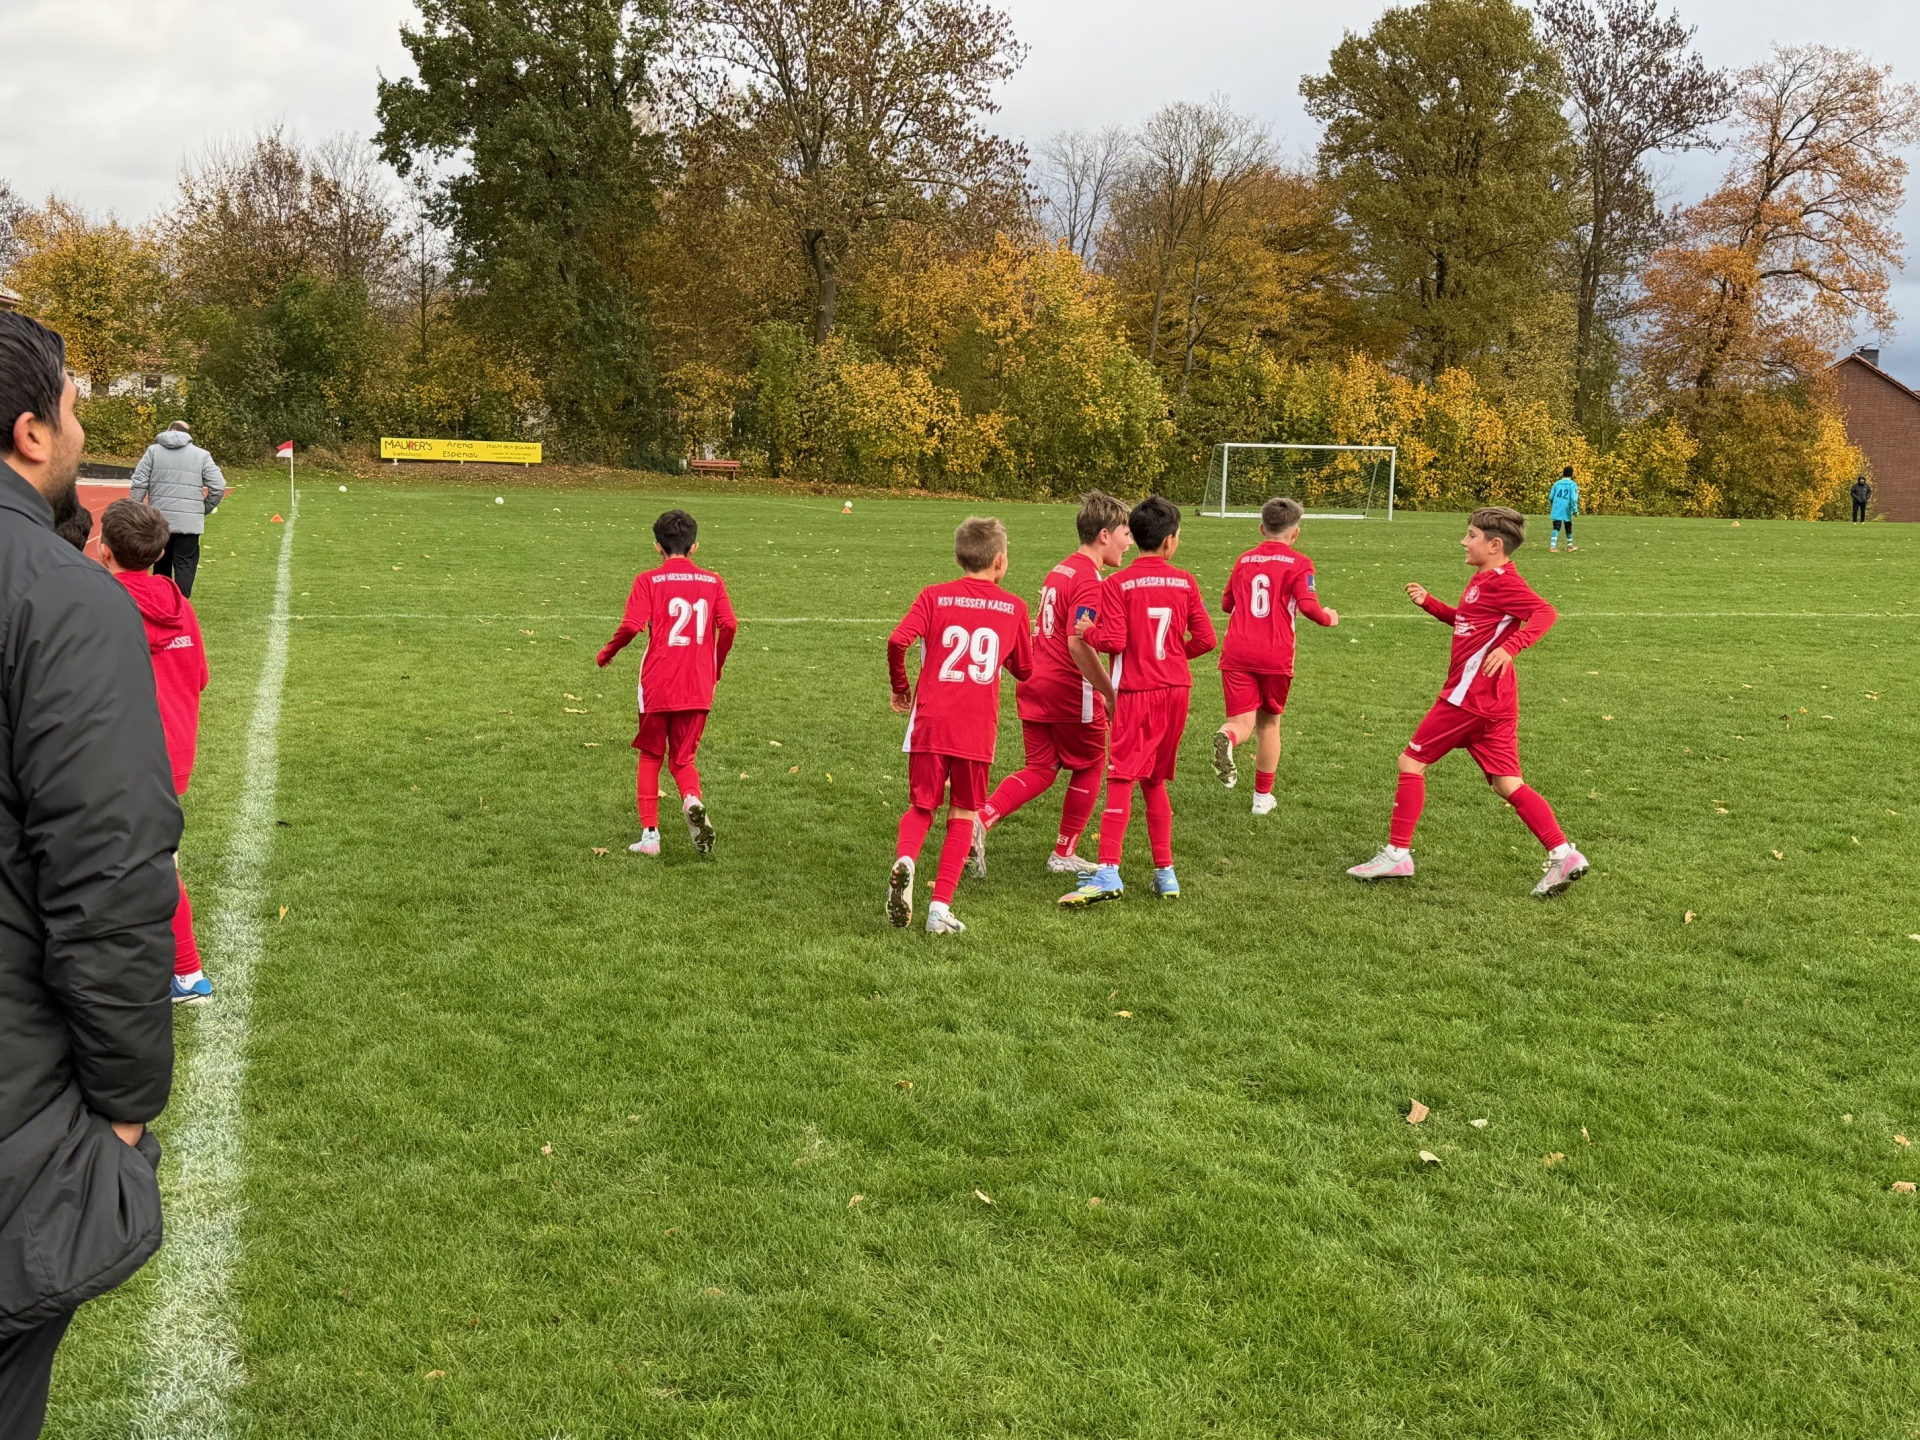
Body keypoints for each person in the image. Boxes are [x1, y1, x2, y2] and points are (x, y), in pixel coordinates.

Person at [0, 311, 177, 1437]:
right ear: (30, 432)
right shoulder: (59, 598)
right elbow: (108, 878)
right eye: (71, 406)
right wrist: (124, 1108)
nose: (79, 426)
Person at [1346, 506, 1588, 897]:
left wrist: (1512, 646)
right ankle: (1563, 854)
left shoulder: (1504, 583)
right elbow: (1468, 623)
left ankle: (1397, 854)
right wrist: (1430, 604)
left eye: (1471, 535)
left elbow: (1545, 612)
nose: (1464, 541)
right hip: (1496, 700)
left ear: (1495, 545)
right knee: (1507, 783)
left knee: (1411, 762)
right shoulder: (1485, 579)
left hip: (1467, 698)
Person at [1060, 496, 1216, 906]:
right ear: (1170, 541)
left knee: (1121, 777)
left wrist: (1088, 631)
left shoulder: (1116, 584)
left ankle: (1108, 871)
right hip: (1177, 692)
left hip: (1137, 691)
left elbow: (1114, 641)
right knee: (1153, 779)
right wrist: (1173, 658)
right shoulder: (1186, 582)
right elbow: (1206, 639)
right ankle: (1166, 873)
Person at [885, 516, 1034, 934]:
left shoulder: (933, 596)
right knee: (964, 813)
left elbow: (897, 640)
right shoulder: (1014, 607)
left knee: (921, 806)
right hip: (975, 727)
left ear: (958, 558)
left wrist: (901, 687)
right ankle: (939, 910)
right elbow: (1025, 670)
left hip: (931, 720)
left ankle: (906, 859)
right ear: (1000, 561)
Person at [975, 490, 1131, 877]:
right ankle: (1064, 852)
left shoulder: (1060, 569)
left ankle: (981, 818)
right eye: (1125, 534)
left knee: (1041, 768)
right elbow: (1078, 642)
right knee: (1092, 763)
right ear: (1105, 535)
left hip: (1034, 680)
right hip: (1068, 689)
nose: (1129, 543)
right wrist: (1109, 692)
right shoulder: (1090, 580)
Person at [100, 499, 212, 1003]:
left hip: (124, 757)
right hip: (172, 754)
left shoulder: (103, 606)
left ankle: (187, 973)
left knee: (149, 861)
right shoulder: (178, 603)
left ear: (104, 550)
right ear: (161, 553)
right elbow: (199, 677)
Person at [596, 509, 738, 856]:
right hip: (698, 684)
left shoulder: (648, 580)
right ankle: (691, 799)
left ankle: (650, 837)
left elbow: (632, 625)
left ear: (657, 546)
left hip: (658, 681)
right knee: (683, 759)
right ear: (694, 547)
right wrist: (716, 667)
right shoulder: (713, 581)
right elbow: (730, 625)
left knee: (651, 754)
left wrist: (607, 652)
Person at [1210, 497, 1339, 815]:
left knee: (1241, 723)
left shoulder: (1244, 560)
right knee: (1268, 725)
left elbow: (1227, 604)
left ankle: (1227, 736)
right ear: (1295, 533)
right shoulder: (1300, 563)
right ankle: (1261, 799)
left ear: (1262, 528)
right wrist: (1329, 617)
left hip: (1237, 651)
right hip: (1274, 654)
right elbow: (1308, 606)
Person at [128, 420, 225, 597]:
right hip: (189, 523)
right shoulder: (201, 455)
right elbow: (218, 486)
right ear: (188, 435)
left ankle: (162, 603)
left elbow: (139, 482)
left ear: (168, 430)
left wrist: (136, 510)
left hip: (159, 521)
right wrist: (204, 508)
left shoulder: (153, 452)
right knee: (185, 565)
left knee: (160, 564)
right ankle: (182, 605)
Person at [1549, 465, 1579, 552]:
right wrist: (1575, 510)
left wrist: (1553, 505)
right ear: (1572, 474)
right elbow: (1574, 499)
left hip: (1557, 507)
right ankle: (1570, 547)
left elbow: (1551, 497)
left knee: (1556, 526)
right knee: (1568, 526)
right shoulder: (1573, 484)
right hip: (1567, 508)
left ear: (1563, 473)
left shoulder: (1556, 483)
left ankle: (1553, 546)